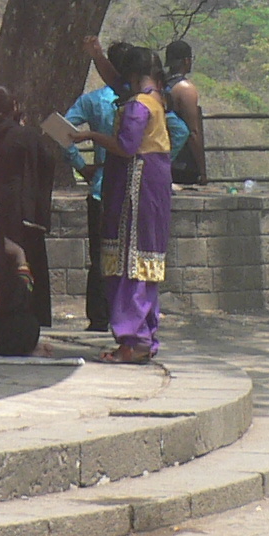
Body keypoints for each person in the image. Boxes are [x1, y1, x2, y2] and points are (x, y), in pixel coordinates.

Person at [96, 43, 174, 365]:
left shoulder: (138, 106)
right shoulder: (158, 99)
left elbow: (126, 146)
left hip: (135, 185)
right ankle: (144, 336)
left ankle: (131, 339)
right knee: (145, 260)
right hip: (155, 184)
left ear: (132, 74)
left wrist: (90, 137)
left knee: (130, 260)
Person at [0, 85, 59, 327]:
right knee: (27, 256)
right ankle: (33, 312)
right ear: (14, 107)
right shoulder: (25, 135)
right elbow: (47, 162)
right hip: (19, 206)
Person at [66, 38, 123, 332]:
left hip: (101, 185)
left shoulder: (93, 101)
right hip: (129, 187)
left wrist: (81, 166)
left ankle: (98, 316)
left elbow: (58, 128)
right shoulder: (143, 103)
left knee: (99, 254)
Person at [163, 40, 207, 186]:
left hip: (160, 155)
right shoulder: (185, 89)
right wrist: (202, 170)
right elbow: (193, 132)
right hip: (182, 163)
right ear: (186, 61)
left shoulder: (159, 84)